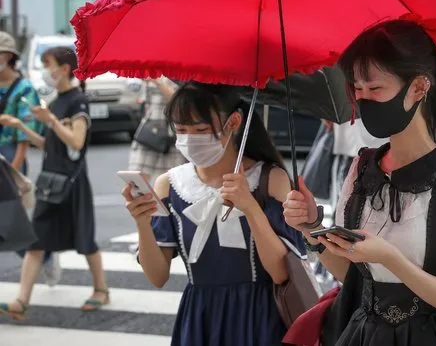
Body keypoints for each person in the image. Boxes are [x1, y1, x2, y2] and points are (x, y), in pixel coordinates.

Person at [283, 16, 436, 345]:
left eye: (376, 88)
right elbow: (350, 275)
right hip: (362, 334)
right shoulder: (363, 167)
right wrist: (310, 226)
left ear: (419, 87)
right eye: (357, 89)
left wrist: (389, 257)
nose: (364, 99)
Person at [122, 81, 305, 346]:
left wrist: (250, 207)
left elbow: (281, 274)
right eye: (181, 130)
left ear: (233, 122)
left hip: (260, 317)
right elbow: (157, 276)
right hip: (200, 316)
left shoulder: (268, 179)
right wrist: (141, 223)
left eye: (200, 129)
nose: (189, 139)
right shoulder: (171, 185)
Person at [0, 47, 108, 320]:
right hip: (50, 180)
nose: (46, 71)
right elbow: (48, 145)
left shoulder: (77, 100)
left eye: (48, 64)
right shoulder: (56, 100)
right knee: (37, 240)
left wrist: (51, 121)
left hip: (71, 182)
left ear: (64, 68)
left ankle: (101, 289)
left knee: (85, 239)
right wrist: (21, 126)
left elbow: (76, 142)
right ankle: (21, 301)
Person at [0, 31, 62, 287]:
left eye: (2, 53)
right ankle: (40, 255)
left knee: (9, 221)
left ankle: (43, 255)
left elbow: (26, 131)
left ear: (11, 56)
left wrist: (14, 166)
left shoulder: (24, 87)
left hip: (9, 155)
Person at [128, 77, 185, 184]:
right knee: (136, 180)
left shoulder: (177, 75)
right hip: (149, 131)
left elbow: (177, 102)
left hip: (170, 134)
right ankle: (140, 199)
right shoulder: (149, 75)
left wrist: (158, 81)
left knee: (171, 183)